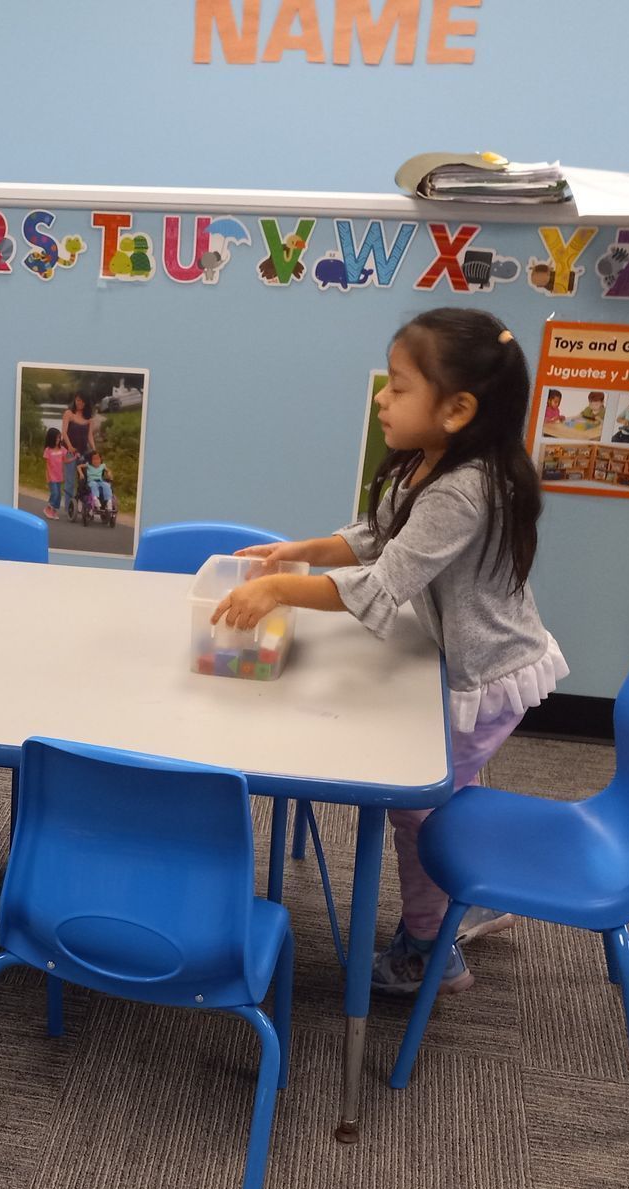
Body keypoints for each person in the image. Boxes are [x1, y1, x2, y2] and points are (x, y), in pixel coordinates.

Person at [211, 307, 566, 995]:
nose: (382, 396)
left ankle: (431, 951)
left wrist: (282, 589)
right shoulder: (432, 463)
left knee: (413, 806)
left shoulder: (465, 488)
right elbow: (380, 536)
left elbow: (384, 582)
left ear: (458, 409)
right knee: (446, 797)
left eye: (399, 386)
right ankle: (470, 893)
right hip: (466, 662)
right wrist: (306, 552)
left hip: (487, 675)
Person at [40, 426, 68, 519]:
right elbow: (47, 465)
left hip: (59, 476)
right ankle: (48, 508)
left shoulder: (62, 449)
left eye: (59, 437)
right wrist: (48, 476)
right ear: (51, 439)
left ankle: (54, 511)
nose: (58, 439)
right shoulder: (48, 450)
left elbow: (65, 461)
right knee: (54, 493)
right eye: (56, 438)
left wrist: (74, 458)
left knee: (59, 495)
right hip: (52, 477)